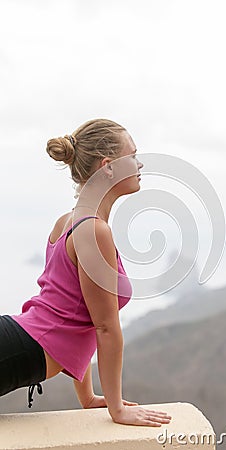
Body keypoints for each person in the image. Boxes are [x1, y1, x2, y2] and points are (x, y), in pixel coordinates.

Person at [0, 118, 172, 427]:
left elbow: (82, 317)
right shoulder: (93, 230)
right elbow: (105, 327)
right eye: (132, 154)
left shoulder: (68, 222)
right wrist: (117, 409)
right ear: (108, 166)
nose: (140, 162)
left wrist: (88, 397)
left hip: (18, 343)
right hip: (17, 348)